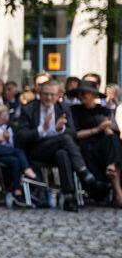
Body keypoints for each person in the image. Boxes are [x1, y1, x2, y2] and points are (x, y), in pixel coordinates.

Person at [16, 79, 99, 212]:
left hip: (57, 150)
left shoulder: (63, 108)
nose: (49, 97)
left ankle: (68, 197)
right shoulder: (29, 109)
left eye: (52, 95)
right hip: (36, 150)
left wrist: (60, 129)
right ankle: (84, 172)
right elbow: (21, 136)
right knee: (64, 139)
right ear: (39, 93)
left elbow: (73, 133)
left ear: (58, 95)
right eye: (46, 94)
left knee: (63, 154)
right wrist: (42, 129)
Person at [68, 81, 122, 207]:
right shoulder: (74, 110)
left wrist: (106, 127)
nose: (81, 96)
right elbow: (75, 135)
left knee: (113, 139)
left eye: (84, 93)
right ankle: (118, 193)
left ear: (93, 95)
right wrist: (97, 129)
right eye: (79, 93)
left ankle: (112, 167)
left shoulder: (104, 110)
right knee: (111, 147)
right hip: (86, 144)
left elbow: (109, 133)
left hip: (105, 145)